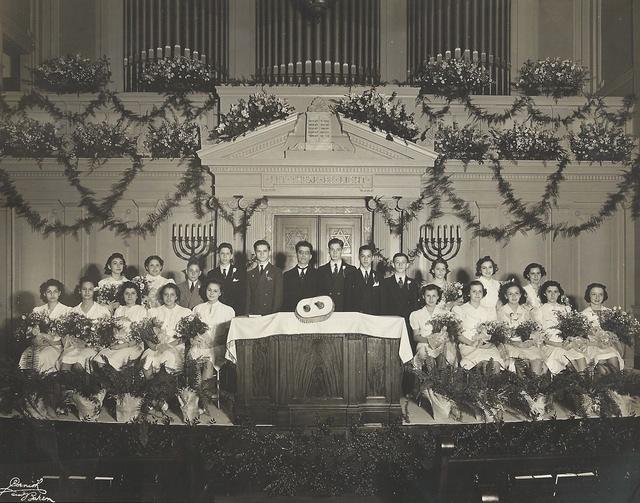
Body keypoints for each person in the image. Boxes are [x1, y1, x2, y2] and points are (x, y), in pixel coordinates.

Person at [19, 279, 72, 374]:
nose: (52, 294)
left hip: (58, 347)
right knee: (27, 355)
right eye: (49, 291)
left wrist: (51, 341)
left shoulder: (67, 310)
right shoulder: (38, 310)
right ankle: (29, 384)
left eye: (55, 291)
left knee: (41, 356)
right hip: (39, 345)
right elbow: (31, 332)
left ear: (59, 293)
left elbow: (68, 337)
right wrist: (37, 337)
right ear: (44, 294)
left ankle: (43, 383)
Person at [191, 279, 235, 393]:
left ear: (220, 293)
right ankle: (195, 396)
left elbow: (228, 334)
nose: (211, 293)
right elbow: (192, 330)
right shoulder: (197, 308)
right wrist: (195, 339)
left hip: (218, 346)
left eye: (215, 291)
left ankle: (204, 396)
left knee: (208, 361)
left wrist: (212, 342)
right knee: (192, 357)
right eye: (209, 290)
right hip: (200, 344)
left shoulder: (228, 310)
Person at [452, 281, 505, 373]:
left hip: (487, 346)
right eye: (474, 291)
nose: (477, 294)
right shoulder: (460, 309)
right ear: (468, 293)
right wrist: (471, 343)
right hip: (469, 345)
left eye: (480, 291)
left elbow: (493, 332)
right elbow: (458, 334)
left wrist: (488, 341)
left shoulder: (489, 310)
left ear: (483, 293)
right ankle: (483, 387)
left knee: (495, 363)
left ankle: (495, 386)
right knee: (484, 364)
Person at [535, 280, 587, 374]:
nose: (552, 295)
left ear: (559, 293)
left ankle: (585, 385)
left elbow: (573, 330)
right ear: (544, 293)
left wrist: (569, 341)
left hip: (567, 344)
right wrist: (558, 344)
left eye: (555, 292)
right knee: (571, 363)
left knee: (580, 357)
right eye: (549, 292)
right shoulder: (540, 310)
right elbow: (541, 335)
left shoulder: (566, 309)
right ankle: (579, 383)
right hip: (551, 346)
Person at [140, 283, 191, 377]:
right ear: (162, 296)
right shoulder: (154, 312)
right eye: (166, 294)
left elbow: (186, 336)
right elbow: (145, 333)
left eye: (172, 294)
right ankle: (150, 388)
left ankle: (166, 389)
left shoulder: (185, 312)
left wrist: (168, 345)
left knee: (166, 358)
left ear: (176, 297)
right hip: (156, 346)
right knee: (148, 359)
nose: (169, 297)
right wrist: (154, 347)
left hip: (176, 346)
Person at [60, 278, 110, 372]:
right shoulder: (73, 311)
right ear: (79, 291)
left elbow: (107, 336)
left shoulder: (103, 311)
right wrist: (72, 340)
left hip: (94, 348)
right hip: (75, 347)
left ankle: (81, 386)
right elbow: (66, 334)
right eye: (84, 289)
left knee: (78, 364)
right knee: (65, 363)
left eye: (90, 289)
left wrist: (87, 344)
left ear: (94, 291)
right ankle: (66, 386)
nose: (87, 292)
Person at [94, 281, 146, 370]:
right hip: (117, 343)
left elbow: (140, 336)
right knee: (99, 360)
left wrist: (122, 346)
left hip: (133, 345)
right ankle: (106, 383)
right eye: (127, 293)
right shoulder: (119, 309)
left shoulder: (141, 310)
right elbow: (112, 330)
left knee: (112, 361)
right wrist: (113, 342)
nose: (130, 296)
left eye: (133, 293)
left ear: (137, 296)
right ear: (123, 295)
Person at [497, 282, 546, 375]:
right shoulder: (501, 311)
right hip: (510, 344)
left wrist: (529, 341)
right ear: (506, 296)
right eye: (510, 294)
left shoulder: (525, 311)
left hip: (525, 343)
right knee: (522, 361)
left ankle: (535, 386)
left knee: (537, 360)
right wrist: (515, 342)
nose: (514, 296)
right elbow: (501, 334)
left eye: (516, 293)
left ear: (520, 295)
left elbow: (533, 329)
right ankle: (522, 387)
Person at [409, 285, 455, 369]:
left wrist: (443, 339)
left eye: (434, 296)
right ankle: (429, 378)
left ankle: (441, 379)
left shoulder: (445, 313)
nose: (431, 299)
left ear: (438, 297)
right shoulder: (416, 314)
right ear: (423, 296)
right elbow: (415, 337)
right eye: (428, 296)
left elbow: (449, 334)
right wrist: (430, 340)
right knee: (425, 355)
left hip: (441, 343)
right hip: (424, 343)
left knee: (445, 355)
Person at [581, 283, 623, 372]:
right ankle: (603, 384)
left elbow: (615, 333)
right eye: (594, 294)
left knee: (613, 358)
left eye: (600, 294)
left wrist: (610, 336)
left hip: (608, 345)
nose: (597, 297)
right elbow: (582, 336)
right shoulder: (583, 314)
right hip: (592, 346)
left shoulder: (609, 312)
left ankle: (618, 383)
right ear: (588, 295)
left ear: (604, 296)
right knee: (601, 362)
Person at [317, 238, 357, 312]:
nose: (335, 252)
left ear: (342, 251)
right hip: (326, 309)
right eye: (332, 249)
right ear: (329, 251)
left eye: (338, 249)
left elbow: (354, 294)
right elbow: (318, 293)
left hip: (344, 310)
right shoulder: (321, 270)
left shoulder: (351, 270)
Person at [245, 240, 283, 315]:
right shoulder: (250, 273)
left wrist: (275, 315)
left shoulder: (276, 272)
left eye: (265, 251)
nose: (262, 254)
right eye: (259, 251)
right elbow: (248, 297)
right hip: (254, 314)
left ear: (269, 252)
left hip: (270, 314)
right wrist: (247, 314)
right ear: (255, 253)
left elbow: (278, 297)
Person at [206, 243, 245, 315]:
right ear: (218, 255)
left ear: (231, 256)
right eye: (222, 253)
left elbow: (243, 294)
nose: (224, 256)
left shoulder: (240, 273)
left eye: (227, 254)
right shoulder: (211, 273)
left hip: (235, 310)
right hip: (217, 312)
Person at [345, 244, 383, 315]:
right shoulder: (350, 276)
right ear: (359, 257)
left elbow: (381, 300)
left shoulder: (379, 276)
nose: (366, 259)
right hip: (356, 316)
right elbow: (347, 301)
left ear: (372, 258)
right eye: (363, 256)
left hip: (373, 317)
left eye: (368, 256)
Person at [282, 240, 319, 312]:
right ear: (297, 254)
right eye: (301, 252)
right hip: (292, 314)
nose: (303, 255)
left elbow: (319, 297)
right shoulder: (287, 275)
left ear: (310, 256)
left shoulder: (318, 275)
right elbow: (284, 299)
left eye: (306, 253)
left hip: (312, 314)